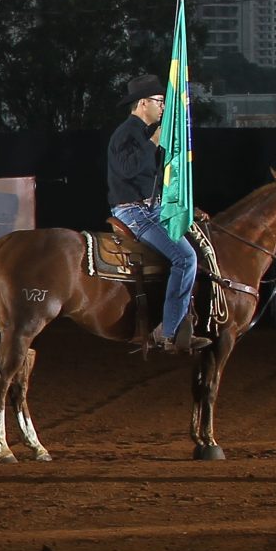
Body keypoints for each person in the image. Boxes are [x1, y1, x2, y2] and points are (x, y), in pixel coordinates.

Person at [109, 73, 205, 351]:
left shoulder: (139, 132)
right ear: (142, 104)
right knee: (185, 258)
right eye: (159, 101)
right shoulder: (127, 133)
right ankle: (169, 330)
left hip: (152, 207)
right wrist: (154, 142)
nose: (163, 107)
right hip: (134, 212)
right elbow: (127, 170)